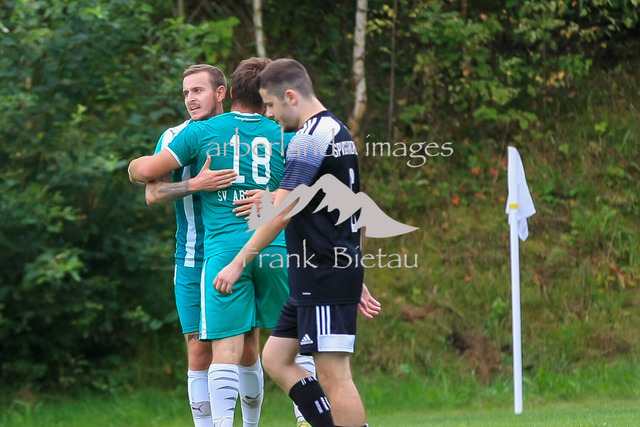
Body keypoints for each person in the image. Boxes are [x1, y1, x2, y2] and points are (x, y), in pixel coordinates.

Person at [129, 57, 321, 427]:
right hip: (265, 249)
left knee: (231, 348)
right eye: (186, 92)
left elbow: (144, 171)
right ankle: (308, 417)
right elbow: (317, 193)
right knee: (291, 341)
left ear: (225, 92)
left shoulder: (202, 134)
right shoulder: (285, 133)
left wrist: (132, 168)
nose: (190, 98)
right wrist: (198, 185)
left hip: (223, 251)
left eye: (197, 90)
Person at [213, 58, 373, 427]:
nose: (268, 114)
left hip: (323, 273)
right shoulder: (336, 130)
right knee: (276, 358)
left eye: (270, 105)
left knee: (334, 377)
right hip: (320, 273)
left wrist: (238, 262)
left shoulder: (309, 138)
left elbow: (280, 213)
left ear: (290, 96)